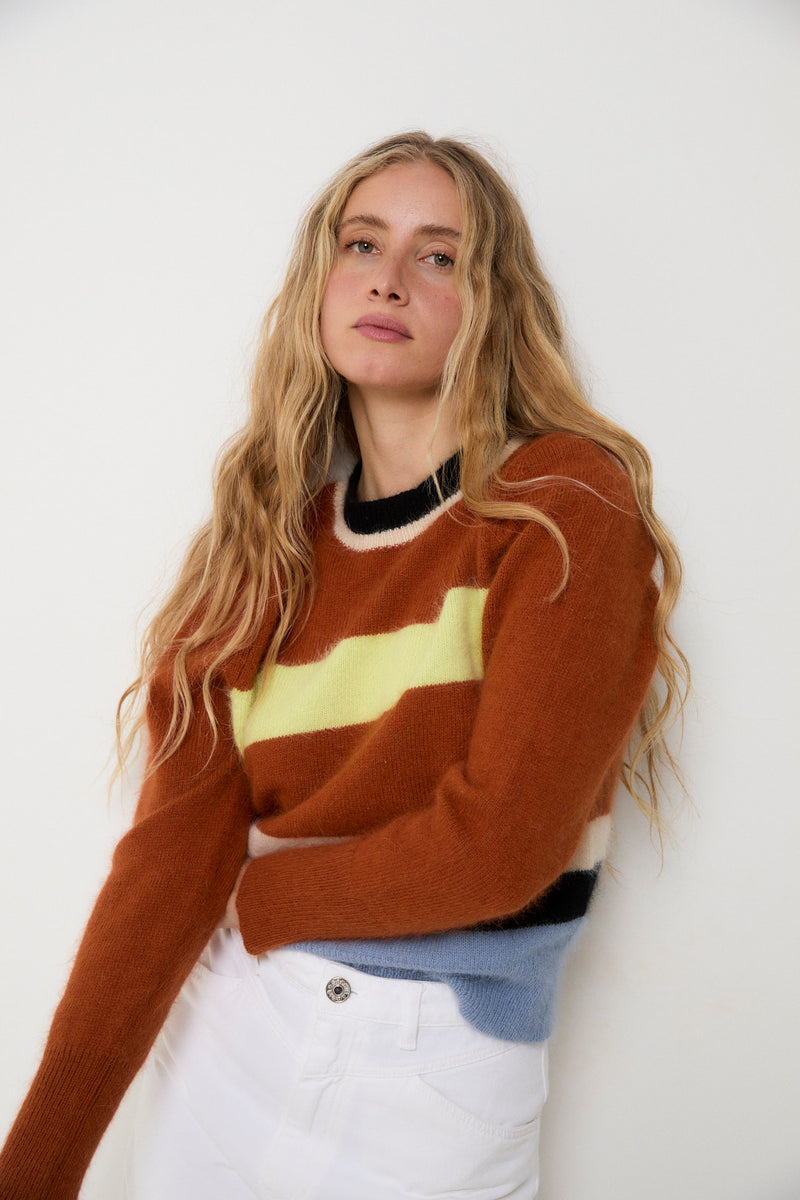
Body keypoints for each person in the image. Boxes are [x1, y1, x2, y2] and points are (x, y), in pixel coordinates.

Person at [0, 130, 688, 1199]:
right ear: (319, 285)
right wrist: (34, 1167)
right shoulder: (259, 554)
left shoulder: (563, 507)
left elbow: (500, 849)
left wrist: (264, 894)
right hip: (226, 1040)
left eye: (437, 255)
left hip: (431, 1067)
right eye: (360, 243)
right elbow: (163, 872)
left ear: (493, 301)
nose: (387, 277)